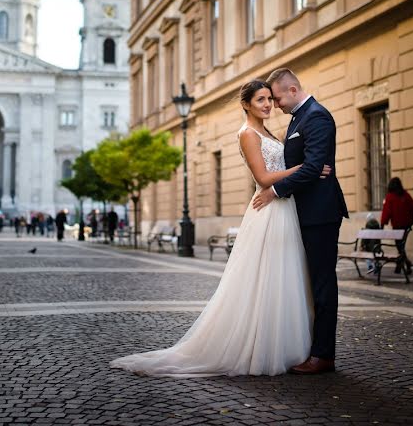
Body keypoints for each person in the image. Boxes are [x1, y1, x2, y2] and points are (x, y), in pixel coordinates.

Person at [111, 79, 333, 377]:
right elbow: (264, 177)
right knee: (262, 279)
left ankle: (287, 343)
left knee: (285, 276)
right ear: (246, 104)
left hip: (284, 209)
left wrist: (298, 172)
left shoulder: (270, 131)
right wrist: (306, 169)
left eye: (270, 99)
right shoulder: (247, 134)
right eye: (261, 100)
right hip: (267, 209)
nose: (268, 105)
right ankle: (259, 345)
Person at [252, 68, 349, 375]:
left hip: (320, 213)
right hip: (302, 212)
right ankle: (309, 346)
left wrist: (275, 190)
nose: (276, 105)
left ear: (292, 90)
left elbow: (314, 167)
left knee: (322, 283)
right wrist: (303, 169)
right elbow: (304, 166)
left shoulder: (317, 116)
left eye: (277, 98)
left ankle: (323, 355)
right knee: (307, 283)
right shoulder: (297, 117)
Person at [380, 176, 413, 274]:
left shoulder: (390, 196)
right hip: (406, 225)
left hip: (397, 226)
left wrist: (383, 224)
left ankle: (406, 264)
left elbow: (386, 212)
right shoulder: (405, 194)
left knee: (400, 246)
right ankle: (400, 266)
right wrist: (411, 219)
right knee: (401, 246)